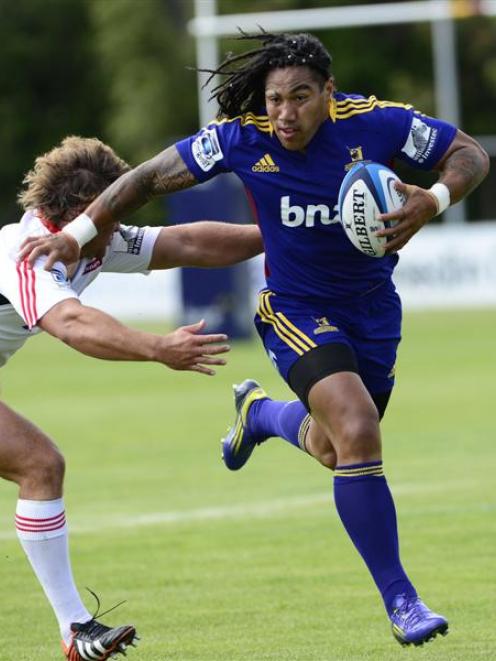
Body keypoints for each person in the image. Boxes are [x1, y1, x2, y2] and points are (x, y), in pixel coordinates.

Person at [19, 32, 490, 647]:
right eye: (274, 99)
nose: (285, 113)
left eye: (300, 97)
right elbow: (146, 180)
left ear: (328, 92)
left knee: (333, 446)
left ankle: (261, 414)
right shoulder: (242, 137)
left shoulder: (378, 124)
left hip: (373, 311)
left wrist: (434, 196)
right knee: (357, 426)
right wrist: (79, 234)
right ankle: (402, 600)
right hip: (293, 308)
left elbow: (469, 153)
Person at [3, 135, 263, 660]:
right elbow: (72, 324)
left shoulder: (89, 241)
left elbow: (187, 243)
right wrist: (157, 347)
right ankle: (75, 630)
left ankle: (75, 631)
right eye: (110, 213)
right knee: (40, 464)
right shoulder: (25, 249)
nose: (117, 225)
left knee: (40, 467)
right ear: (80, 211)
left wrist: (281, 234)